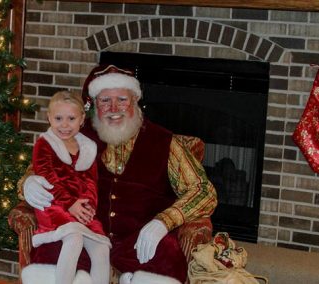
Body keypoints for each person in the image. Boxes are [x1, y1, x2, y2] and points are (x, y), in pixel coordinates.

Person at [21, 65, 218, 284]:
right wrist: (27, 184)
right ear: (94, 104)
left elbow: (203, 191)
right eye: (105, 100)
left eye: (122, 99)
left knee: (167, 258)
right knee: (50, 256)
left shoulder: (165, 142)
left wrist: (163, 222)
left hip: (141, 240)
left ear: (135, 101)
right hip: (86, 234)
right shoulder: (73, 138)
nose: (114, 108)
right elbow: (38, 171)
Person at [27, 91, 111, 284]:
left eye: (71, 118)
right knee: (74, 237)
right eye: (58, 118)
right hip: (53, 204)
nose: (64, 125)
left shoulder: (88, 147)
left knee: (101, 247)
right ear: (49, 117)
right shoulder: (44, 144)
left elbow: (91, 182)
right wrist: (70, 203)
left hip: (79, 207)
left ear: (81, 119)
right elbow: (49, 178)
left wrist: (88, 208)